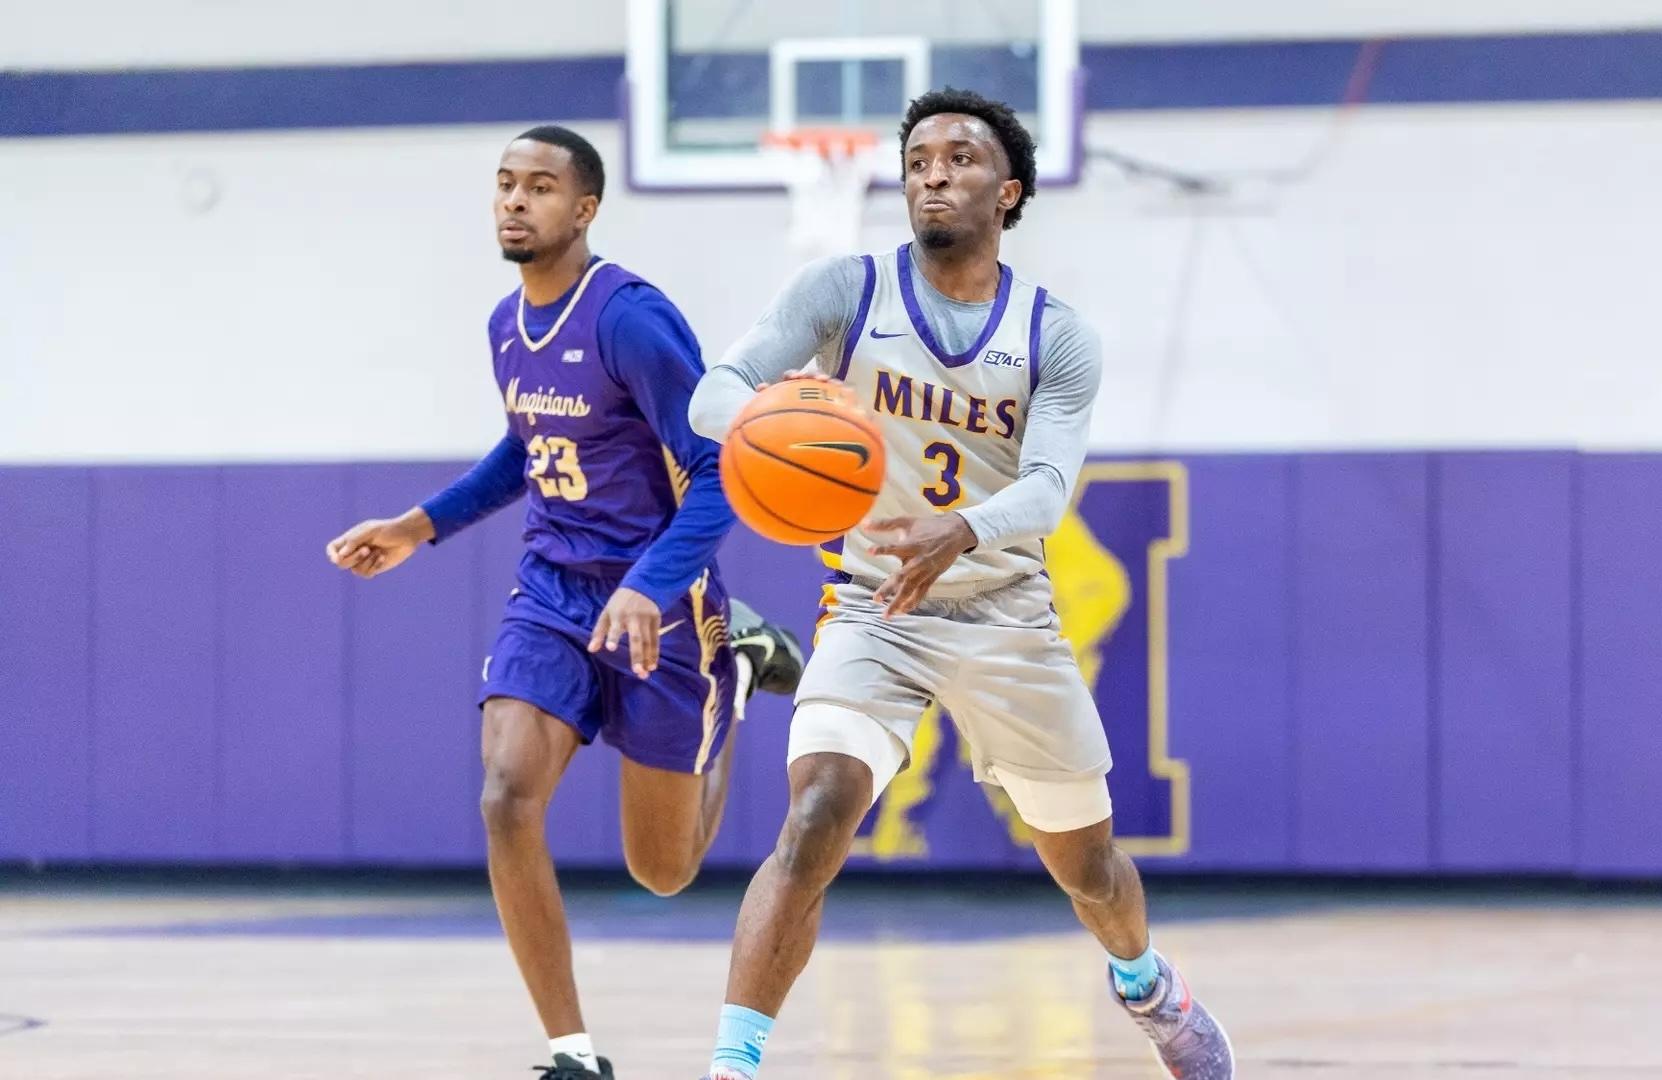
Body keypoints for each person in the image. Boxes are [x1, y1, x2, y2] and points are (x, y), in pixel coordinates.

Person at [685, 90, 1234, 1080]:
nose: (933, 172)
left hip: (1003, 612)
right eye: (919, 160)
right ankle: (734, 1065)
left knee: (1090, 869)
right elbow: (712, 390)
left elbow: (1050, 490)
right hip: (871, 606)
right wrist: (780, 413)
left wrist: (965, 530)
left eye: (960, 159)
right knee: (813, 825)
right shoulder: (842, 292)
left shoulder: (1056, 336)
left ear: (1007, 191)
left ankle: (1146, 982)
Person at [324, 125, 804, 1079]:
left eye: (539, 187)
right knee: (507, 796)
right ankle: (572, 1054)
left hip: (662, 602)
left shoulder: (632, 320)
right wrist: (421, 524)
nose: (514, 201)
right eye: (504, 184)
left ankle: (737, 666)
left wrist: (648, 586)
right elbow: (527, 448)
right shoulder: (508, 324)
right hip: (551, 590)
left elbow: (722, 473)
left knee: (661, 872)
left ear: (583, 210)